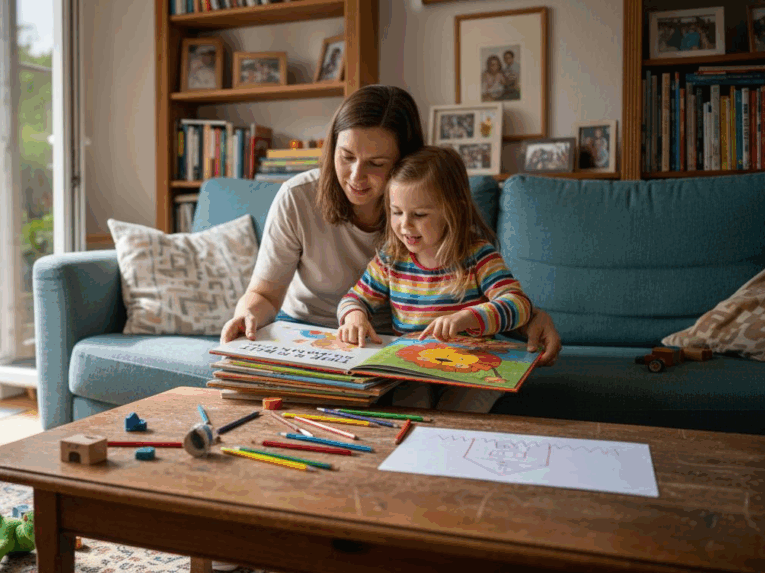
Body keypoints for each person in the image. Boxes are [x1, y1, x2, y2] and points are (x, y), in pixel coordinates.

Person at [219, 84, 561, 367]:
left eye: (376, 163)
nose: (355, 177)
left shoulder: (424, 214)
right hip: (307, 333)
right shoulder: (296, 197)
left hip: (389, 345)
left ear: (404, 163)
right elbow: (264, 295)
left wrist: (531, 317)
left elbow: (483, 294)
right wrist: (246, 315)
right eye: (346, 156)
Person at [337, 145, 533, 412]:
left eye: (419, 215)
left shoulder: (477, 256)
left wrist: (467, 317)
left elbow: (519, 304)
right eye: (397, 212)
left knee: (457, 414)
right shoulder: (392, 258)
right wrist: (354, 316)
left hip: (472, 367)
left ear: (455, 211)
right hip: (414, 366)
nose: (405, 225)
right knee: (409, 408)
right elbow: (355, 297)